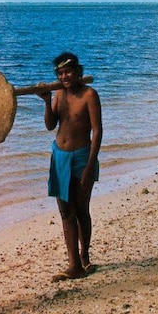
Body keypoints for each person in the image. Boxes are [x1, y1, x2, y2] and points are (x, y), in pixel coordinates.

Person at [38, 52, 102, 282]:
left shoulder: (89, 95)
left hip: (82, 156)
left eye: (68, 72)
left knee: (81, 209)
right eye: (60, 73)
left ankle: (84, 255)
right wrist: (46, 101)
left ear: (78, 72)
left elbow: (97, 132)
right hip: (60, 156)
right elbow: (50, 125)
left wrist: (89, 166)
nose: (64, 76)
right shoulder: (58, 93)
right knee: (66, 211)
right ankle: (74, 264)